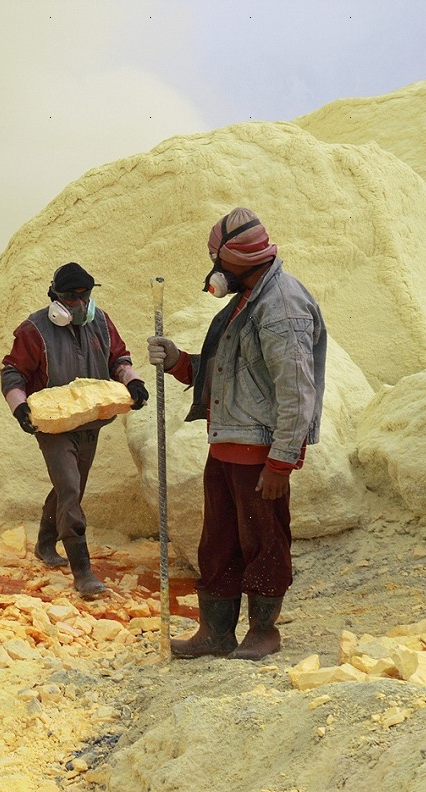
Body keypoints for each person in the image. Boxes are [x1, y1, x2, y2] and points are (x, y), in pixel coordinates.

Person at [148, 207, 326, 661]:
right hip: (227, 448)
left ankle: (263, 632)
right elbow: (231, 373)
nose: (213, 270)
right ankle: (216, 634)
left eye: (217, 260)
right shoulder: (247, 300)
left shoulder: (280, 307)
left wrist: (281, 463)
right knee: (220, 543)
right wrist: (180, 363)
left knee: (264, 543)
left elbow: (297, 392)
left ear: (239, 260)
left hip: (260, 455)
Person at [0, 262, 148, 598]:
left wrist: (132, 381)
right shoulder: (33, 330)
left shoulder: (101, 322)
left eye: (86, 298)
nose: (80, 305)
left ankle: (44, 541)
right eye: (72, 299)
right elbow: (12, 374)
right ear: (56, 299)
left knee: (72, 487)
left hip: (90, 421)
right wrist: (20, 407)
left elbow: (118, 359)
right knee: (69, 487)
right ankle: (83, 573)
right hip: (53, 425)